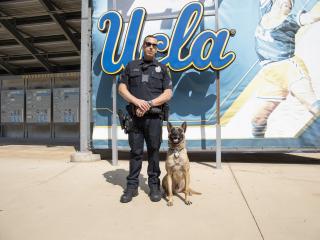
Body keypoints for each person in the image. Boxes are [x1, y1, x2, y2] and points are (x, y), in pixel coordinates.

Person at [251, 0, 320, 137]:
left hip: (289, 68)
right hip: (270, 74)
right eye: (286, 1)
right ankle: (257, 148)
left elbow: (312, 16)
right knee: (258, 119)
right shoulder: (266, 10)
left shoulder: (290, 20)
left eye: (290, 4)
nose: (288, 4)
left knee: (313, 107)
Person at [118, 35, 173, 203]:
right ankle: (132, 186)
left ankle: (154, 186)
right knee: (135, 152)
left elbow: (168, 93)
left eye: (154, 45)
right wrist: (136, 102)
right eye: (148, 44)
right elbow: (121, 88)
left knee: (154, 151)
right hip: (135, 118)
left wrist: (148, 104)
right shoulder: (131, 66)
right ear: (143, 46)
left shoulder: (163, 68)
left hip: (154, 118)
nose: (151, 47)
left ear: (157, 49)